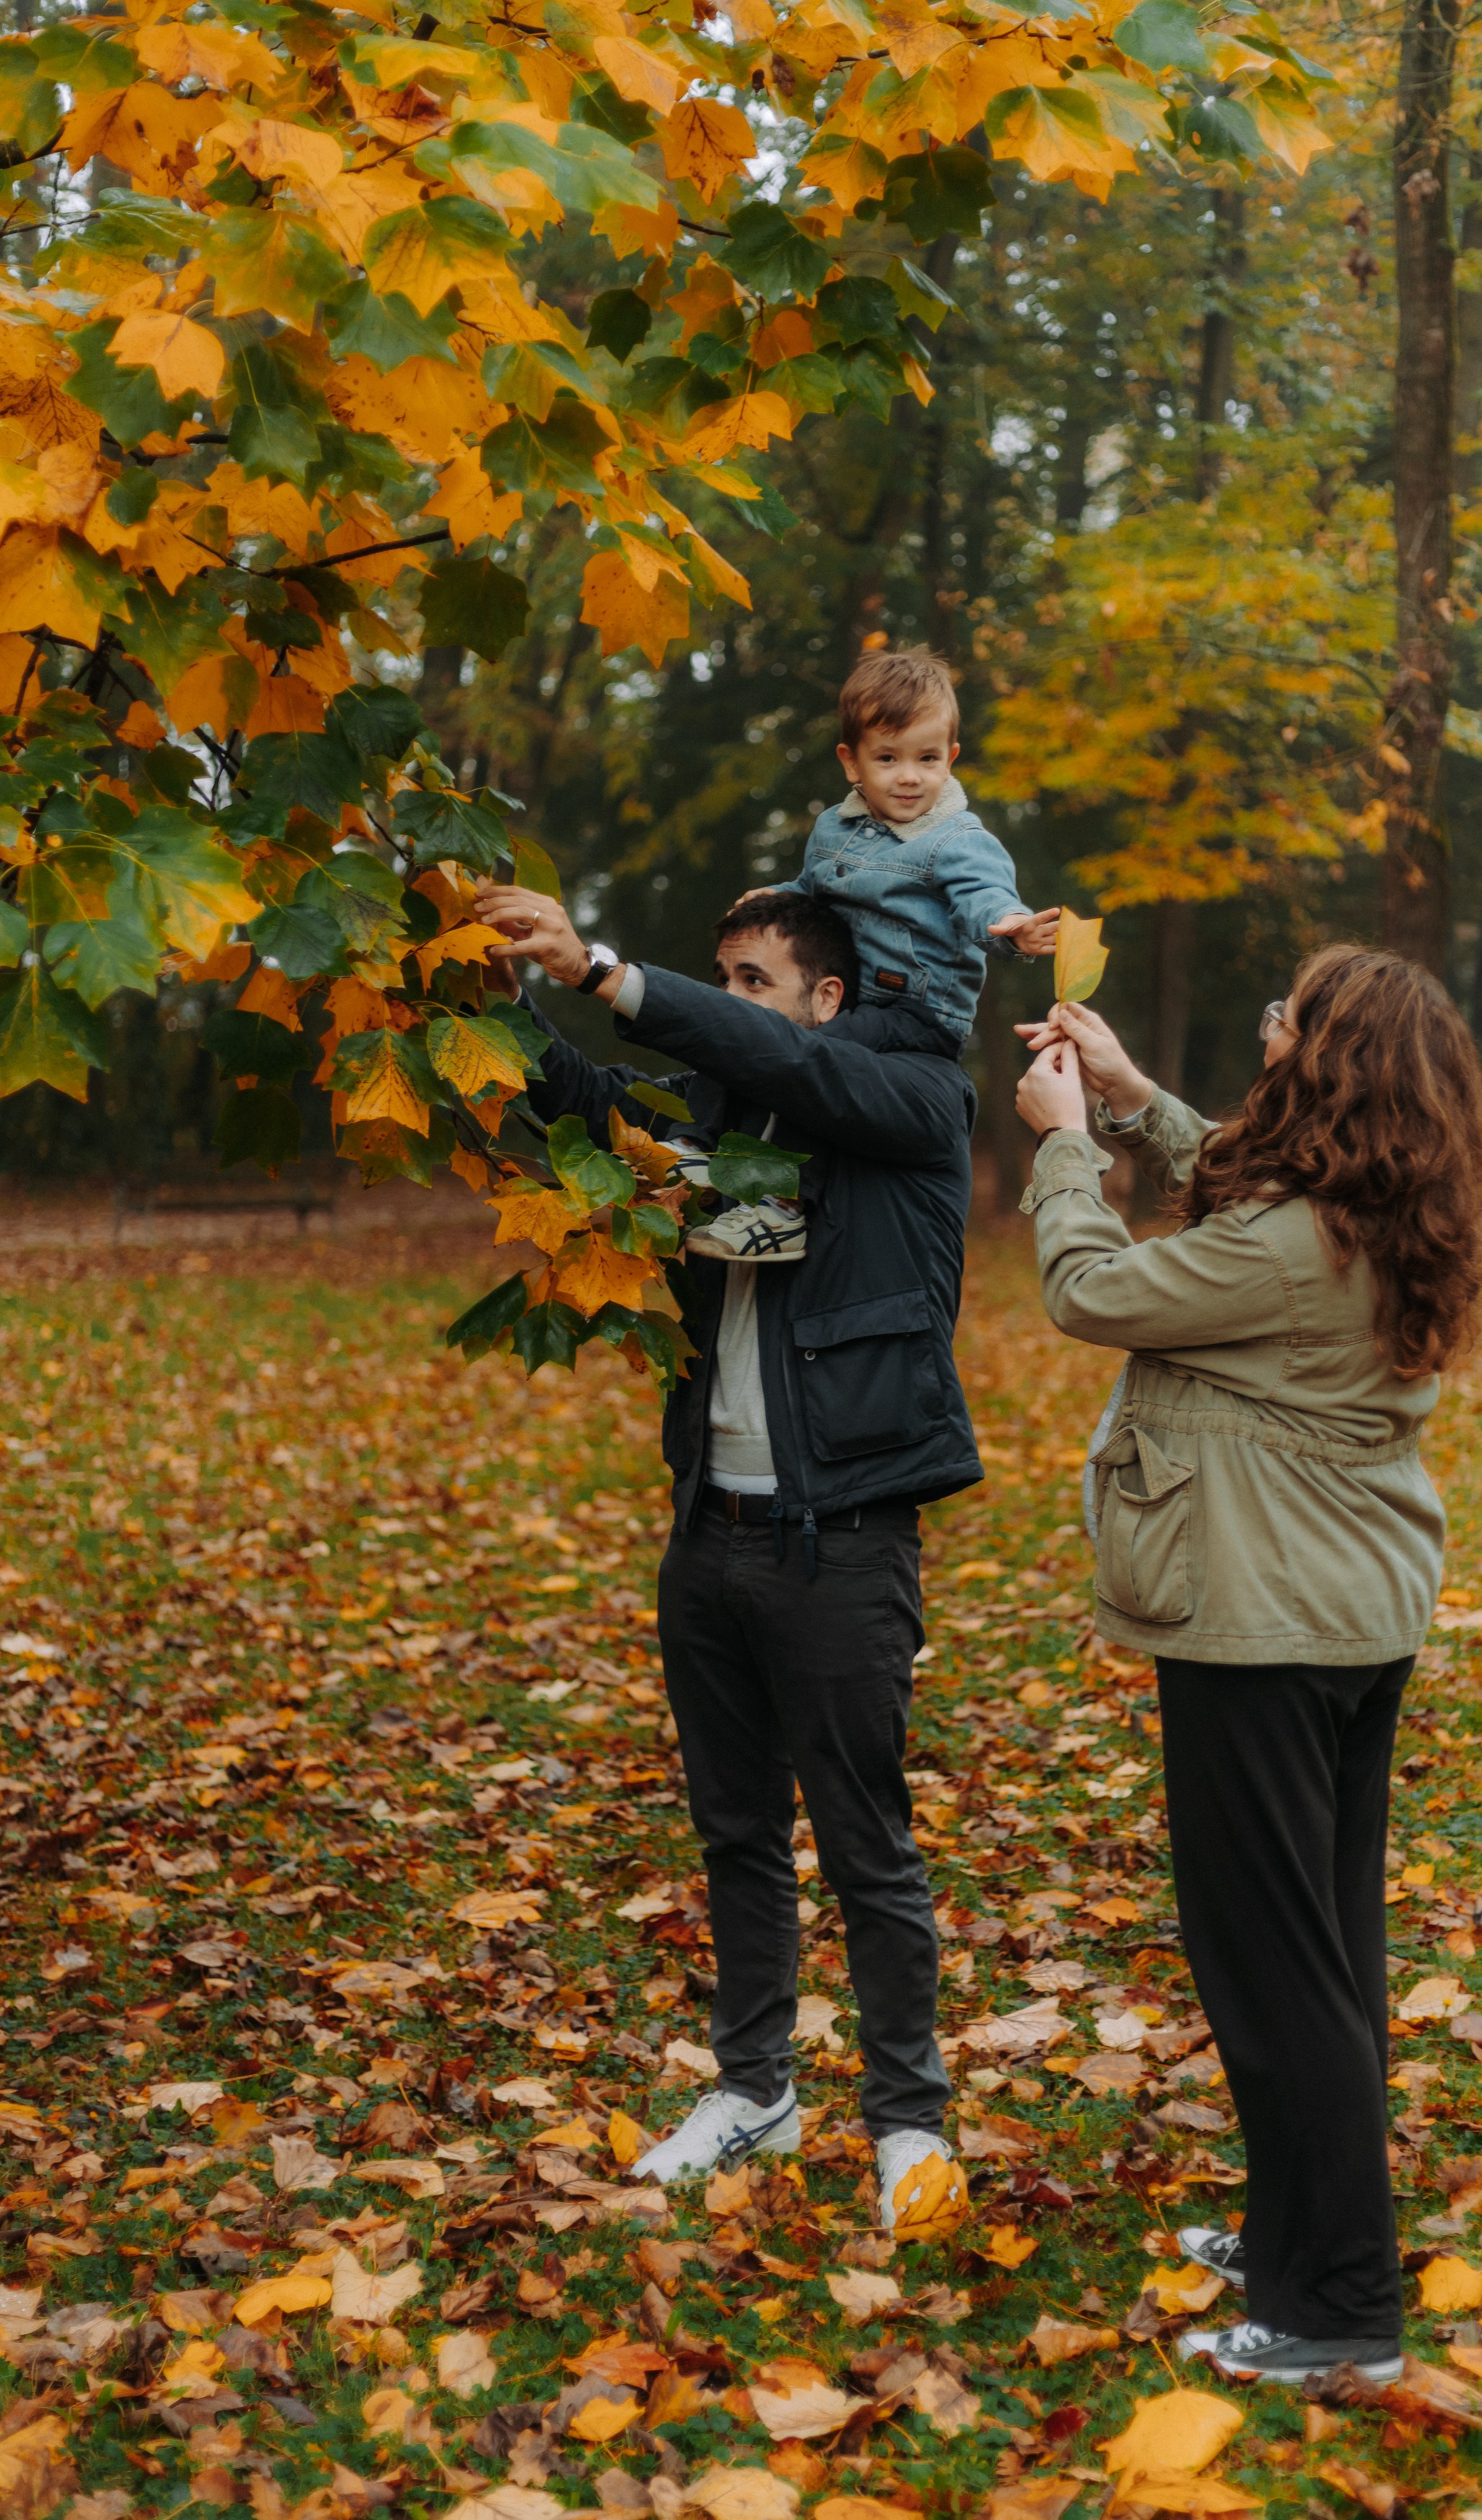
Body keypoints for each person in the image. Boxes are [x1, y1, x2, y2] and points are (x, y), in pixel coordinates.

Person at [1014, 947, 1482, 2388]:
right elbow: (1241, 1181)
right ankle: (1299, 2234)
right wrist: (1128, 1095)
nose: (1266, 1021)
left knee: (1271, 1966)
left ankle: (1336, 2303)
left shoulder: (1292, 1245)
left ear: (1332, 1065)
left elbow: (1093, 1292)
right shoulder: (1366, 1206)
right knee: (1323, 1951)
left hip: (1262, 1622)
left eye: (1288, 1013)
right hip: (1335, 1613)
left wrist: (1060, 1152)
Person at [471, 880, 979, 2233]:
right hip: (709, 1534)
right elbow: (597, 1110)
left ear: (826, 997)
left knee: (865, 1847)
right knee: (736, 1833)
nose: (734, 1007)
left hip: (843, 1543)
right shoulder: (719, 1126)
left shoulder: (912, 1100)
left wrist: (611, 970)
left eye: (755, 981)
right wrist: (494, 1001)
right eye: (723, 979)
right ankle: (753, 2090)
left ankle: (907, 2122)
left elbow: (788, 1064)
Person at [699, 648, 1060, 1264]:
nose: (908, 777)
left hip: (918, 1015)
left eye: (925, 759)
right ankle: (698, 1142)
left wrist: (1012, 926)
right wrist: (776, 895)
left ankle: (784, 1207)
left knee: (811, 1057)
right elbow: (816, 892)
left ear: (949, 758)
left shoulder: (957, 840)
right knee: (746, 1032)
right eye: (887, 759)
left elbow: (984, 897)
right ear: (851, 762)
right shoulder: (832, 831)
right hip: (850, 1000)